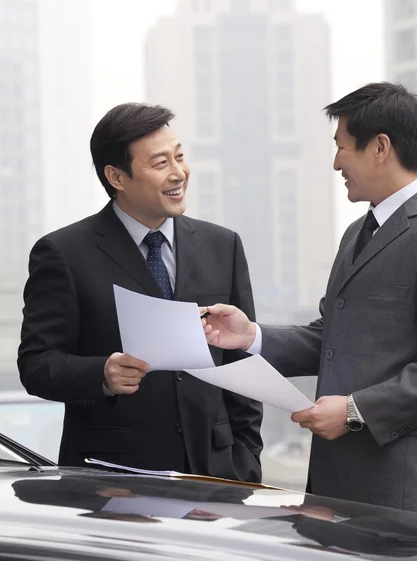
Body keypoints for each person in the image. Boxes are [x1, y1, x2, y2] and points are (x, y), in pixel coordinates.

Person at [201, 82, 417, 518]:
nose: (336, 162)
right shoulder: (357, 233)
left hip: (403, 493)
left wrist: (357, 412)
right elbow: (332, 337)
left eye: (342, 147)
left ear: (380, 147)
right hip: (337, 487)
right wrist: (251, 337)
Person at [17, 103, 262, 482]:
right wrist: (100, 373)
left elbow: (241, 362)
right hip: (112, 481)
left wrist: (245, 461)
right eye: (160, 163)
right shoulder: (64, 253)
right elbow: (36, 364)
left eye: (179, 157)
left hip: (214, 477)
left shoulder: (222, 245)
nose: (179, 172)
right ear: (117, 176)